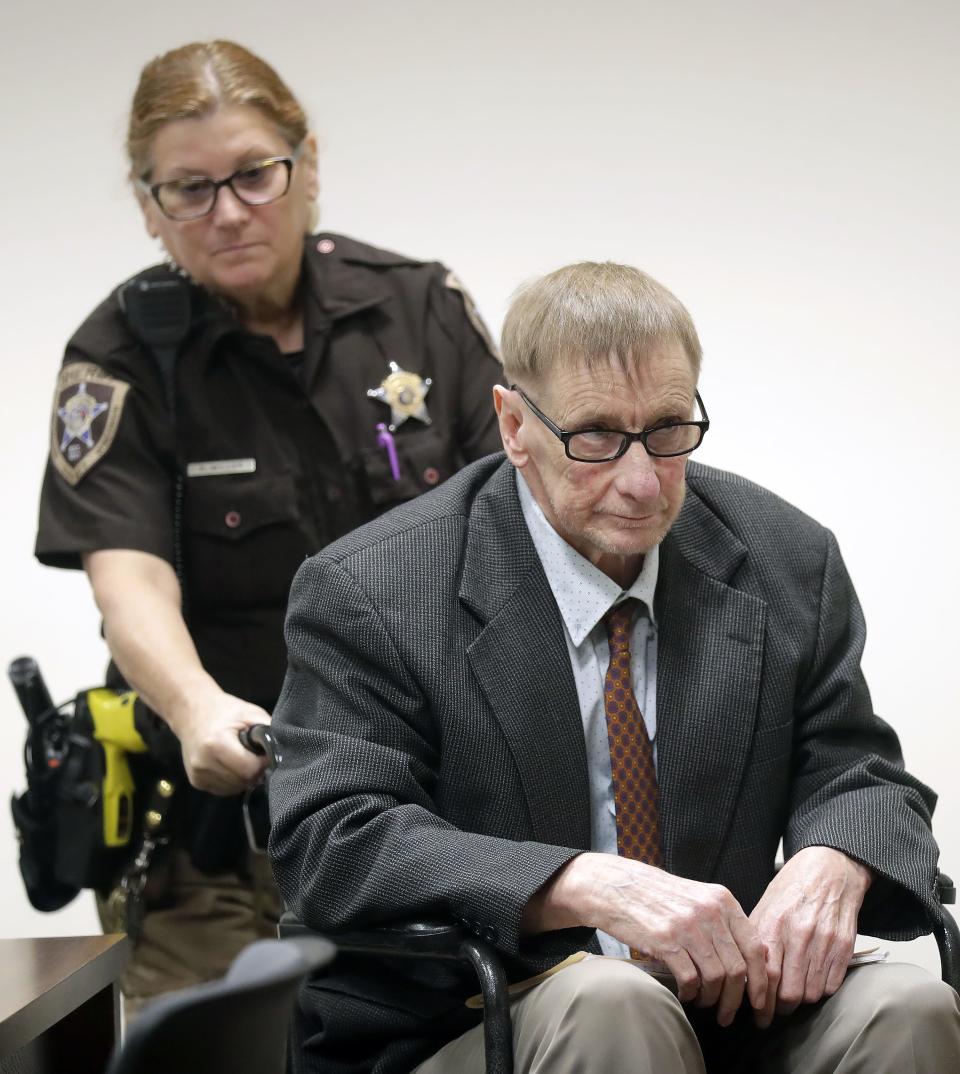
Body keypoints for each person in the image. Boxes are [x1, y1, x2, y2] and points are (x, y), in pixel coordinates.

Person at [268, 261, 960, 1074]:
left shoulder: (785, 560)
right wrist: (581, 885)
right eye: (596, 434)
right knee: (613, 1003)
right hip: (470, 1013)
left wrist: (837, 858)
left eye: (668, 429)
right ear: (514, 426)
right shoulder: (374, 588)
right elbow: (333, 838)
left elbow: (859, 771)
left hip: (730, 1011)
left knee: (909, 1007)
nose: (641, 482)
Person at [34, 39, 503, 1014]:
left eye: (253, 173)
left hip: (423, 820)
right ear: (148, 206)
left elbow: (515, 536)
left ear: (308, 164)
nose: (230, 211)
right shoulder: (118, 358)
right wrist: (198, 706)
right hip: (217, 844)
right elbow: (130, 585)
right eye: (189, 190)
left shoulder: (420, 310)